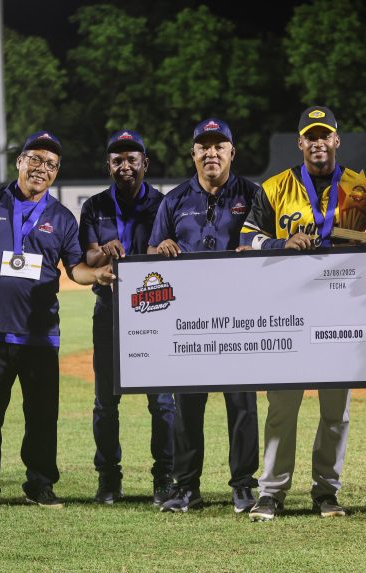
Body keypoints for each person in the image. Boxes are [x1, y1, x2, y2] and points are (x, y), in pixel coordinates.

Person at [0, 131, 116, 512]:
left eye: (51, 165)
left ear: (56, 173)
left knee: (42, 418)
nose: (42, 169)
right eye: (36, 160)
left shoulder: (60, 218)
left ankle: (40, 485)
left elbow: (75, 269)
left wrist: (100, 275)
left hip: (40, 336)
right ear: (20, 162)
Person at [241, 106, 366, 521]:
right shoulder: (276, 187)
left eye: (325, 135)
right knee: (282, 406)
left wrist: (357, 240)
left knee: (337, 410)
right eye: (310, 137)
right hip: (289, 310)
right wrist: (282, 244)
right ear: (300, 143)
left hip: (341, 312)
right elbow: (247, 238)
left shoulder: (361, 187)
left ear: (337, 140)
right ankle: (271, 491)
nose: (318, 143)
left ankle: (326, 492)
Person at [148, 118, 260, 513]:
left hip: (239, 317)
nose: (211, 153)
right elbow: (151, 257)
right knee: (186, 407)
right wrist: (160, 247)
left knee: (242, 405)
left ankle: (244, 486)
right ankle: (186, 488)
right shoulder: (174, 200)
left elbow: (267, 245)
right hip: (189, 321)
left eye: (219, 146)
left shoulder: (253, 193)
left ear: (232, 152)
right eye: (203, 146)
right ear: (193, 153)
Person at [79, 130, 176, 506]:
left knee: (163, 402)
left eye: (131, 159)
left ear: (144, 164)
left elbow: (169, 251)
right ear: (108, 166)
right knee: (106, 401)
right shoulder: (94, 206)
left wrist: (161, 248)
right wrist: (103, 252)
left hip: (154, 310)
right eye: (117, 160)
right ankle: (109, 479)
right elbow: (87, 259)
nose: (124, 166)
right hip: (109, 311)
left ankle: (164, 478)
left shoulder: (164, 204)